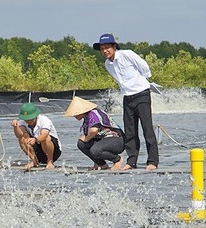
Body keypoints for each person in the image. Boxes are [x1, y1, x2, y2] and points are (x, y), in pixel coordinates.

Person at [93, 33, 159, 170]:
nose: (105, 51)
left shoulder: (127, 54)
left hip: (141, 94)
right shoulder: (107, 64)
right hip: (127, 97)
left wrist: (141, 82)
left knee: (147, 128)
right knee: (130, 131)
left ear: (114, 46)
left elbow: (144, 67)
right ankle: (131, 161)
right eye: (102, 48)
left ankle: (152, 161)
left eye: (107, 47)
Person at [63, 96, 125, 170]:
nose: (74, 115)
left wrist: (86, 138)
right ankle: (101, 164)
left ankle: (117, 160)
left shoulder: (93, 114)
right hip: (104, 140)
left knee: (95, 150)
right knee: (81, 144)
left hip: (116, 140)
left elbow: (94, 131)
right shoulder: (87, 117)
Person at [11, 103, 61, 169]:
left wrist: (35, 139)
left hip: (53, 150)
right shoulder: (22, 122)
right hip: (38, 150)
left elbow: (44, 134)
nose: (28, 121)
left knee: (45, 138)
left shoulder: (44, 120)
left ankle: (50, 161)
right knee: (22, 138)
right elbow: (19, 135)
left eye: (31, 119)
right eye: (26, 119)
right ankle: (34, 161)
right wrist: (16, 127)